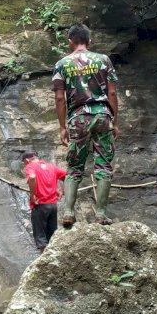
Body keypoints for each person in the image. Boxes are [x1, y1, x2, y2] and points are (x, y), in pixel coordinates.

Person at [52, 23, 119, 227]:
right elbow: (113, 93)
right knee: (104, 166)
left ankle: (69, 213)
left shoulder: (62, 64)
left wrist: (63, 126)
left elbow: (59, 98)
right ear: (89, 41)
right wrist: (115, 121)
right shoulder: (103, 60)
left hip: (78, 118)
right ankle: (100, 214)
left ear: (70, 41)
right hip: (102, 116)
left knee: (74, 167)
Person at [22, 151, 67, 252]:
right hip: (53, 205)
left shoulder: (30, 166)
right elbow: (68, 176)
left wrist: (33, 195)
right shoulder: (51, 166)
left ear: (27, 160)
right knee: (52, 235)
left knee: (41, 238)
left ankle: (45, 261)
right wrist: (62, 190)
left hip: (40, 205)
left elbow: (32, 177)